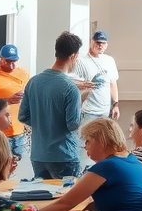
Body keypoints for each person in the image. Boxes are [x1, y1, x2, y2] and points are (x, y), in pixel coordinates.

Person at [18, 31, 92, 185]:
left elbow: (23, 116)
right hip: (64, 155)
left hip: (38, 155)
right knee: (65, 203)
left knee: (43, 200)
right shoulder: (71, 88)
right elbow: (72, 124)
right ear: (73, 56)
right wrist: (82, 98)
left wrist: (44, 122)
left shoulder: (34, 82)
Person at [73, 31, 121, 123]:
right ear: (92, 42)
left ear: (107, 44)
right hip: (88, 111)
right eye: (98, 43)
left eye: (103, 43)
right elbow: (73, 82)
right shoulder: (81, 61)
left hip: (105, 111)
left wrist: (116, 104)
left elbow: (113, 84)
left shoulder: (109, 61)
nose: (100, 45)